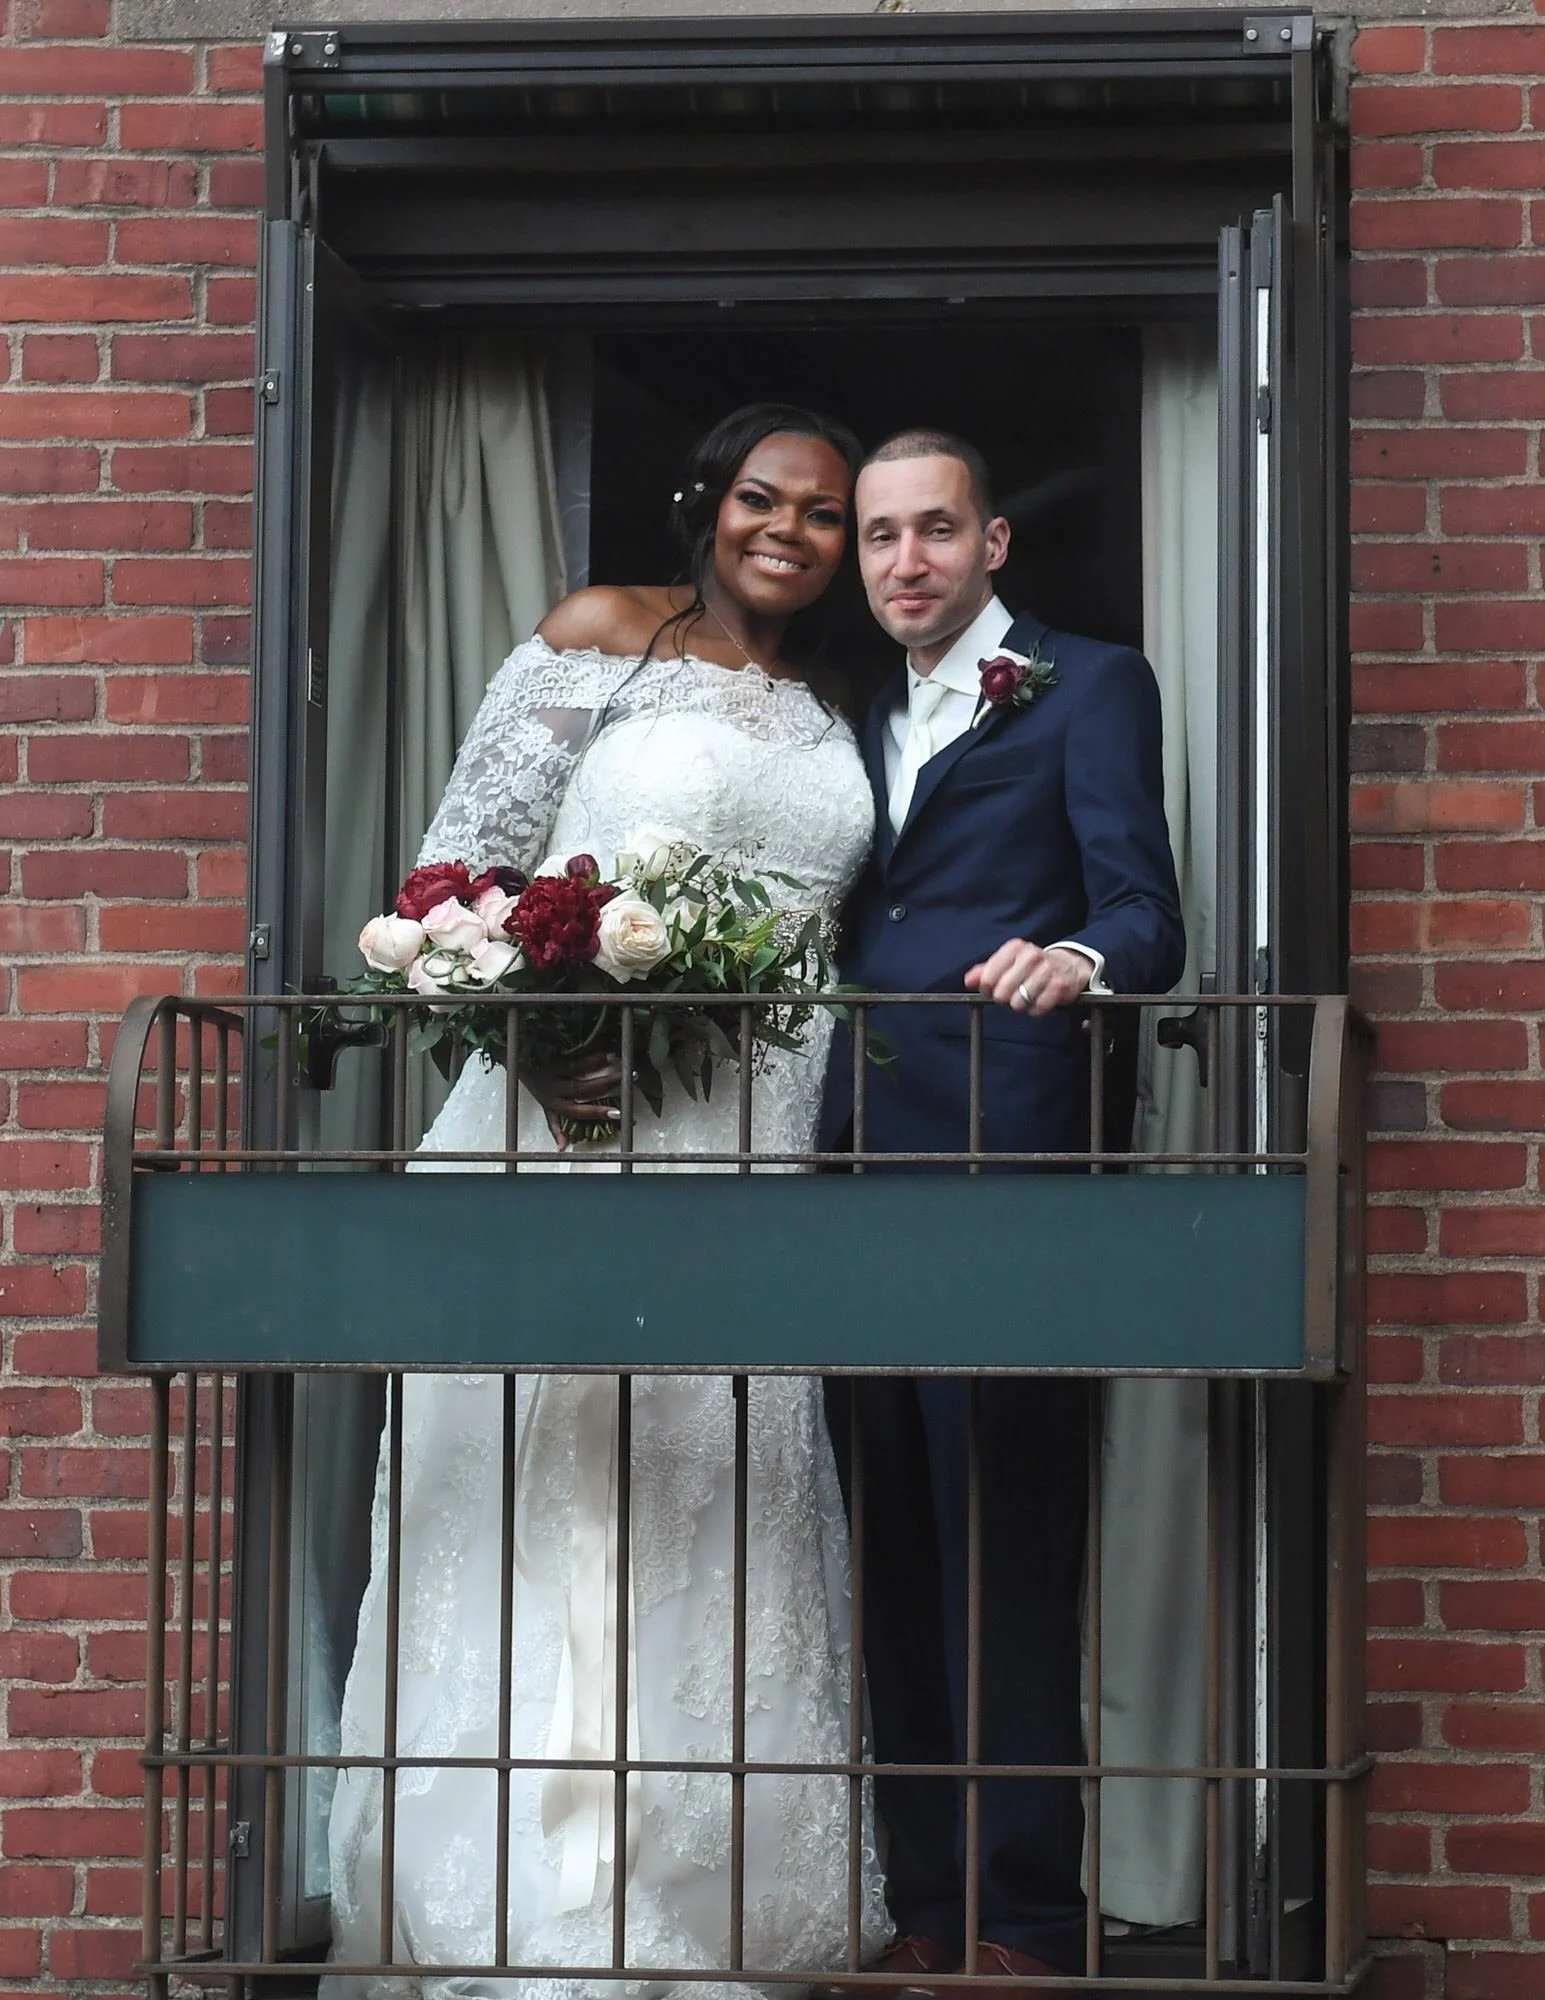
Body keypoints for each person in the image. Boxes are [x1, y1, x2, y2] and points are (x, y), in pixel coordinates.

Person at [325, 405, 890, 1996]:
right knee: (550, 1474)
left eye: (827, 516)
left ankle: (699, 1898)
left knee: (710, 1477)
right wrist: (536, 1034)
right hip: (568, 1117)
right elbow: (451, 880)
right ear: (704, 504)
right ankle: (531, 1906)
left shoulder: (844, 698)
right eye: (762, 501)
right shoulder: (598, 638)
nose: (789, 532)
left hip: (753, 1134)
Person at [818, 431, 1186, 1995]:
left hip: (1011, 1164)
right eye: (881, 536)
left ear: (995, 543)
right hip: (847, 1169)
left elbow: (1146, 910)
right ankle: (926, 1906)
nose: (906, 561)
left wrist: (1079, 965)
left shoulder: (1088, 683)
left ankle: (1030, 1920)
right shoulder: (842, 704)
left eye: (935, 532)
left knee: (1010, 1541)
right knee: (891, 1540)